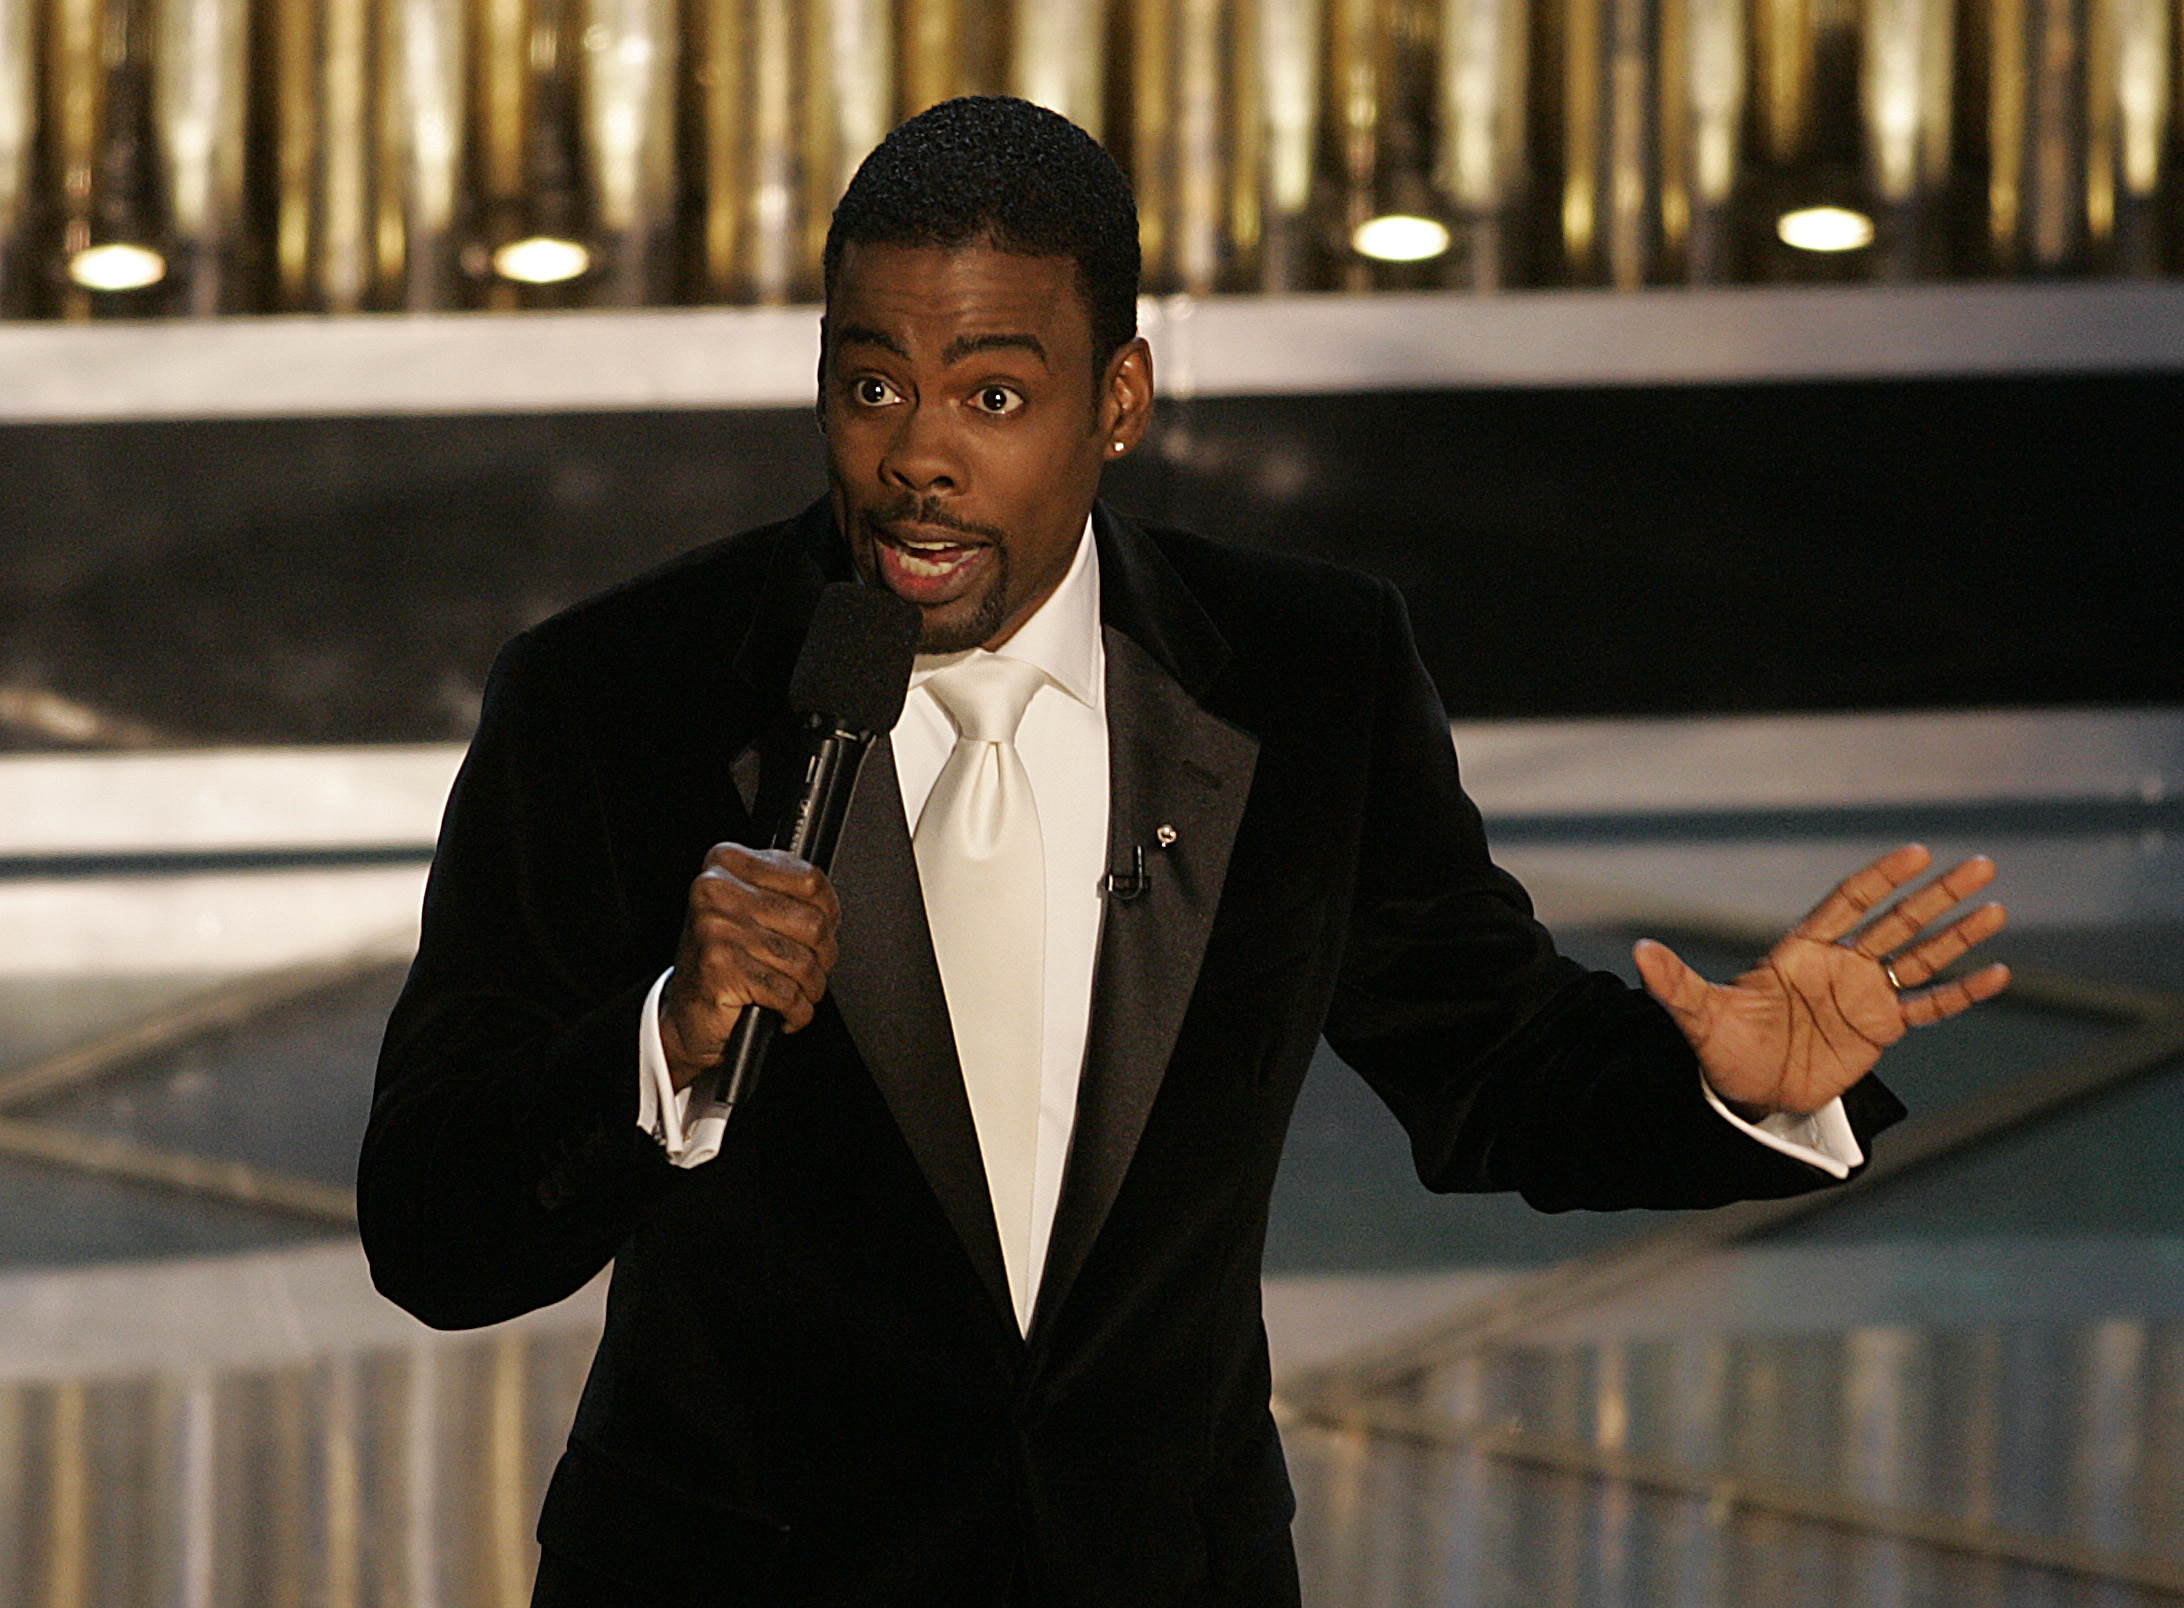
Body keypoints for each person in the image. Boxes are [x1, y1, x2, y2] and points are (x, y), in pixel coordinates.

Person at [359, 96, 2009, 1607]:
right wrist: (668, 1037)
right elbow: (433, 1225)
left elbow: (1493, 1065)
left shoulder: (1306, 675)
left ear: (1121, 401)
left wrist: (1737, 1082)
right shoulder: (612, 698)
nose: (917, 454)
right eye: (872, 385)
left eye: (993, 393)